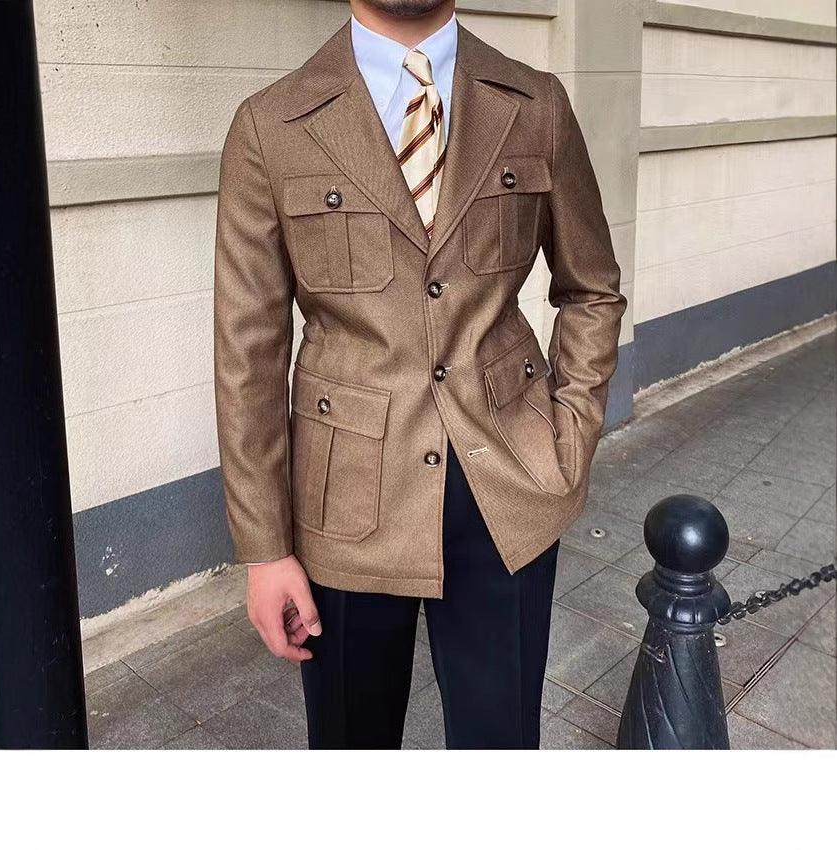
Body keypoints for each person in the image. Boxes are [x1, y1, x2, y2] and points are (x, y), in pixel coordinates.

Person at [213, 0, 626, 748]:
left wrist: (572, 434)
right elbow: (249, 354)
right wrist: (265, 548)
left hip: (510, 483)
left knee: (499, 748)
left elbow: (591, 288)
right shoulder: (270, 125)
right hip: (344, 505)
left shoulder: (536, 105)